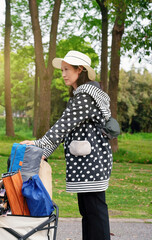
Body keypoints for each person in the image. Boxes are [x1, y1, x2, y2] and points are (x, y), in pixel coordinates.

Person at [21, 50, 112, 240]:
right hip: (89, 163)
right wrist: (44, 151)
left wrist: (38, 144)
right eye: (62, 70)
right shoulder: (83, 95)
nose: (63, 74)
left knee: (94, 211)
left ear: (80, 70)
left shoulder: (85, 97)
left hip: (92, 164)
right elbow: (67, 130)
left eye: (67, 69)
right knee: (88, 211)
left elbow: (62, 126)